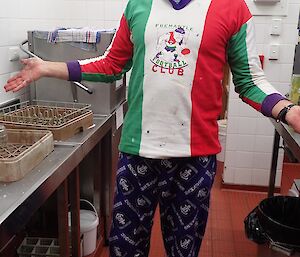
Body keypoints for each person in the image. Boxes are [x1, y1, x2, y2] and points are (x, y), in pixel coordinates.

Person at [4, 0, 300, 256]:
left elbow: (249, 82)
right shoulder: (138, 5)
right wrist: (46, 68)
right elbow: (112, 64)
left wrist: (288, 110)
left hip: (194, 160)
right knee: (124, 248)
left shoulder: (233, 9)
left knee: (183, 250)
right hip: (136, 154)